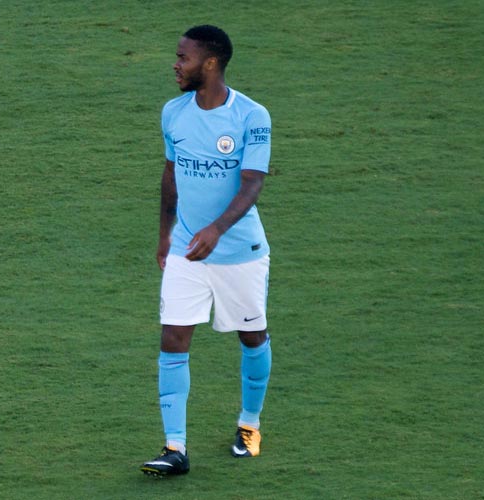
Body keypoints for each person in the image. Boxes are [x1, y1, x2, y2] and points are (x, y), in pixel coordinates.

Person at [140, 25, 273, 478]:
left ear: (210, 63)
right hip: (187, 250)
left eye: (184, 57)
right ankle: (175, 448)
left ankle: (249, 425)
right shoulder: (173, 113)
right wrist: (165, 235)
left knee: (252, 337)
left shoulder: (251, 116)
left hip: (240, 253)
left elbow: (252, 183)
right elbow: (171, 174)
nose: (176, 64)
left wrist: (217, 229)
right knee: (173, 339)